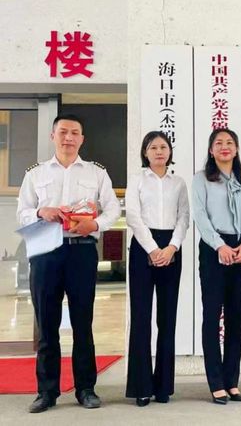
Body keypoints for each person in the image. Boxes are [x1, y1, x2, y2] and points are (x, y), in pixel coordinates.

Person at [17, 114, 121, 413]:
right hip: (45, 252)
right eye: (63, 132)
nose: (69, 137)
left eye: (75, 132)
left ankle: (85, 389)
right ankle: (46, 391)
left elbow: (112, 208)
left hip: (81, 252)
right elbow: (22, 212)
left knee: (82, 323)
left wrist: (95, 224)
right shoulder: (35, 174)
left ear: (82, 138)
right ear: (53, 136)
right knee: (46, 324)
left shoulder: (96, 173)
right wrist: (41, 213)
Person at [125, 131, 190, 406]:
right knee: (141, 317)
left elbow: (184, 217)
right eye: (153, 147)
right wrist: (152, 249)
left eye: (163, 147)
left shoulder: (178, 183)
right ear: (145, 152)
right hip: (143, 247)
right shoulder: (137, 180)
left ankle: (163, 386)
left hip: (171, 247)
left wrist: (172, 247)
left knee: (167, 317)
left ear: (170, 151)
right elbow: (133, 216)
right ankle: (141, 386)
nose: (159, 151)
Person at [192, 128, 241, 404]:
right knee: (212, 315)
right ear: (211, 150)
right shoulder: (201, 179)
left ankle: (232, 381)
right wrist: (219, 246)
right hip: (213, 249)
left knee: (235, 317)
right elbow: (200, 217)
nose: (224, 147)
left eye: (230, 142)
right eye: (218, 143)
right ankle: (215, 382)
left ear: (237, 149)